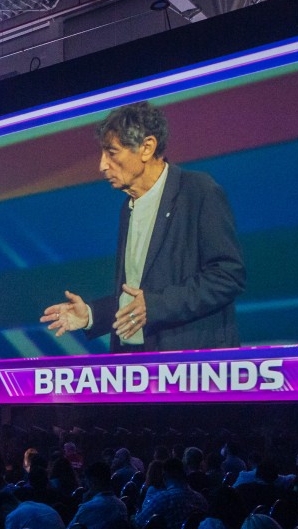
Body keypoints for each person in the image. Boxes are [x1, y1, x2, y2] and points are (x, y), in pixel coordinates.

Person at [40, 100, 246, 352]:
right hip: (133, 367)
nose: (102, 166)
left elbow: (227, 276)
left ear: (147, 147)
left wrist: (156, 305)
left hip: (188, 365)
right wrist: (91, 316)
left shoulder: (199, 192)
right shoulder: (128, 207)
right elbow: (137, 294)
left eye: (112, 152)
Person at [70, 460, 128, 529]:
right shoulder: (122, 505)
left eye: (86, 481)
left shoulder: (88, 507)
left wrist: (84, 503)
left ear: (92, 482)